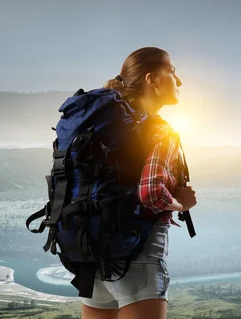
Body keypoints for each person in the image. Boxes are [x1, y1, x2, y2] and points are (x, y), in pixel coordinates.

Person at [80, 47, 197, 319]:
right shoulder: (160, 130)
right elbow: (150, 194)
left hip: (91, 260)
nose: (178, 82)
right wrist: (182, 203)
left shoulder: (101, 126)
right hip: (138, 261)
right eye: (171, 72)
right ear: (151, 80)